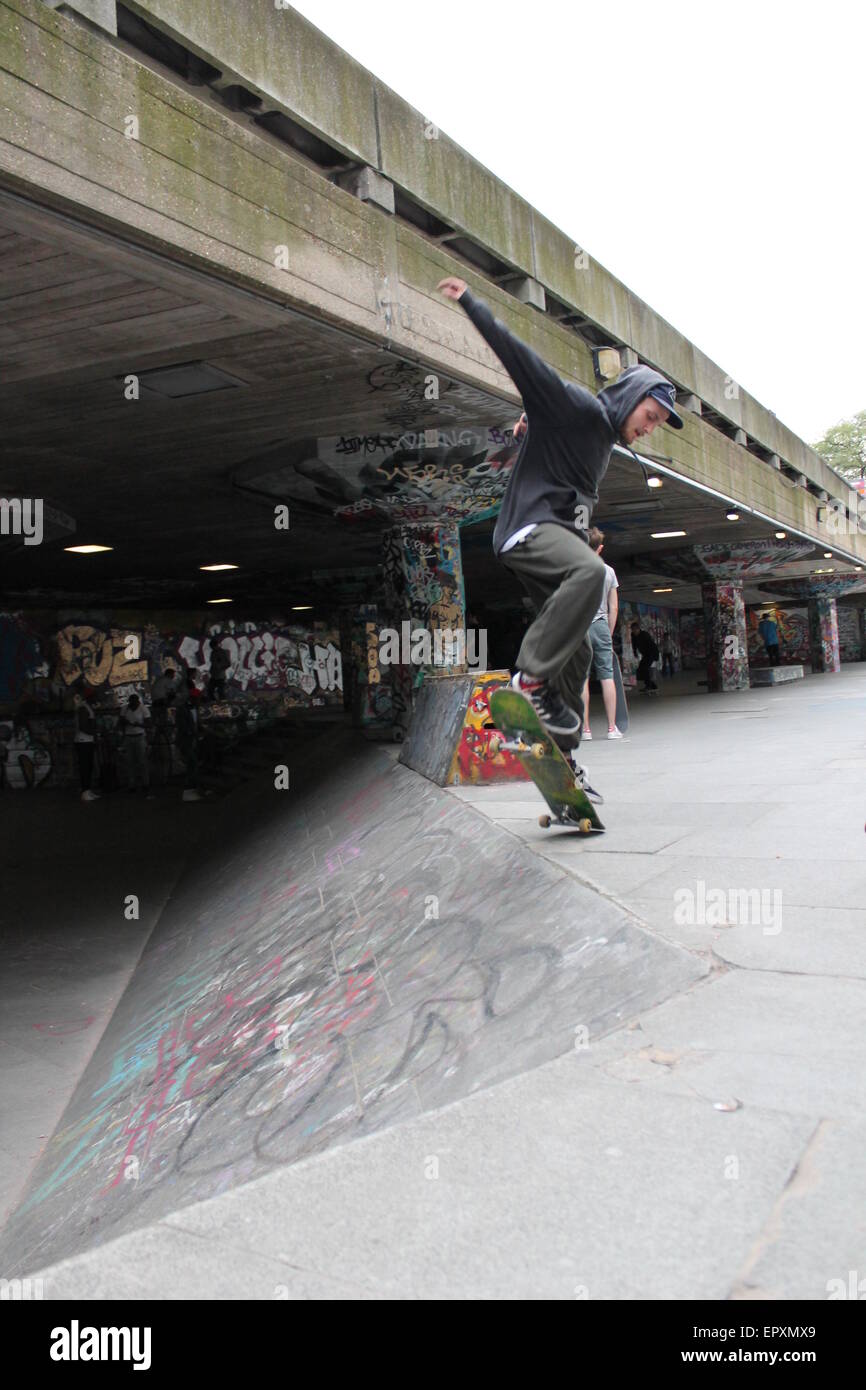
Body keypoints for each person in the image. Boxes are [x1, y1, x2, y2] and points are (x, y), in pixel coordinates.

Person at [437, 275, 682, 756]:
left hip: (551, 537)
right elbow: (523, 362)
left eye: (656, 424)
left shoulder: (602, 440)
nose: (650, 429)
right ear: (631, 397)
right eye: (649, 416)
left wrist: (524, 440)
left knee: (582, 648)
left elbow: (556, 468)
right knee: (592, 572)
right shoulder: (578, 407)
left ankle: (564, 754)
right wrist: (472, 304)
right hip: (526, 531)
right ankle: (527, 679)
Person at [580, 528, 622, 739]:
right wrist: (608, 631)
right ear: (600, 548)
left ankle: (585, 729)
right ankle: (611, 728)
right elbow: (613, 607)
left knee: (582, 679)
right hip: (601, 625)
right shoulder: (609, 572)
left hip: (579, 627)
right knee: (607, 675)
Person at [120, 692, 153, 796]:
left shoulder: (143, 709)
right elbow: (120, 722)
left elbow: (149, 724)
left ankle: (145, 783)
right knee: (130, 762)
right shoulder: (125, 709)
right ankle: (132, 784)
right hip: (128, 737)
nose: (133, 705)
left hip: (140, 736)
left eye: (135, 703)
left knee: (142, 762)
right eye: (131, 703)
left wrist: (139, 725)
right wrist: (125, 723)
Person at [73, 688, 100, 802]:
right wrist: (94, 734)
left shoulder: (87, 708)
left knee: (88, 766)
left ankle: (87, 790)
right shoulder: (83, 708)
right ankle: (85, 791)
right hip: (84, 741)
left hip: (86, 740)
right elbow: (83, 726)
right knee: (85, 766)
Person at [630, 622, 660, 691]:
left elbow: (652, 645)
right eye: (633, 630)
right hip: (645, 654)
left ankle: (648, 686)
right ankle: (652, 685)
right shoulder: (633, 635)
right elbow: (634, 644)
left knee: (645, 668)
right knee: (640, 669)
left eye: (635, 630)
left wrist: (655, 656)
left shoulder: (644, 634)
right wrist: (635, 653)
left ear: (638, 629)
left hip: (651, 653)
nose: (634, 632)